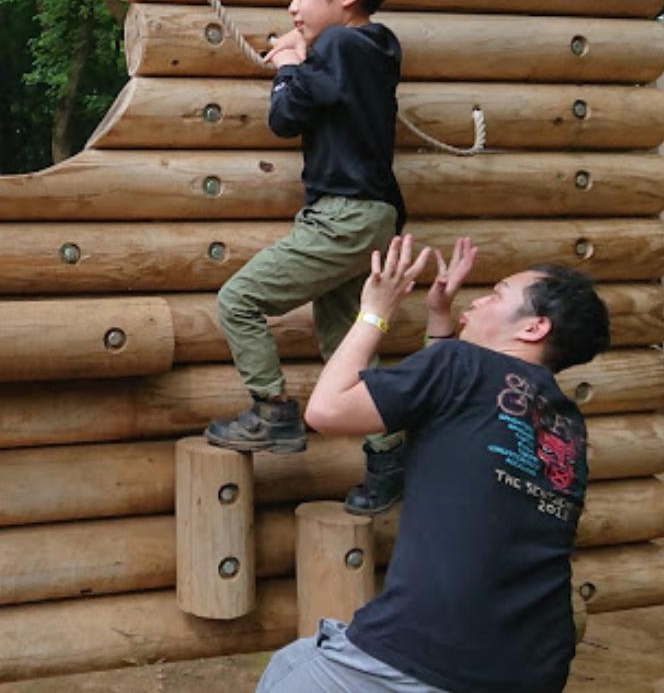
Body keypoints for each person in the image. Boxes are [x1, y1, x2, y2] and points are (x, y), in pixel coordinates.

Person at [257, 234, 610, 693]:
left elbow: (326, 410)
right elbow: (450, 406)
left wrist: (374, 312)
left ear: (533, 328)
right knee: (297, 662)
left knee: (287, 673)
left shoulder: (460, 365)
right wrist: (439, 316)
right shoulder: (564, 421)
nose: (479, 300)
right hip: (534, 665)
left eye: (497, 293)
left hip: (425, 653)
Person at [205, 0, 407, 515]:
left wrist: (290, 63)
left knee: (239, 300)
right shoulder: (376, 47)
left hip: (344, 215)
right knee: (347, 344)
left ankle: (273, 413)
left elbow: (285, 118)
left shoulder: (340, 49)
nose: (291, 8)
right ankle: (389, 458)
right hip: (372, 213)